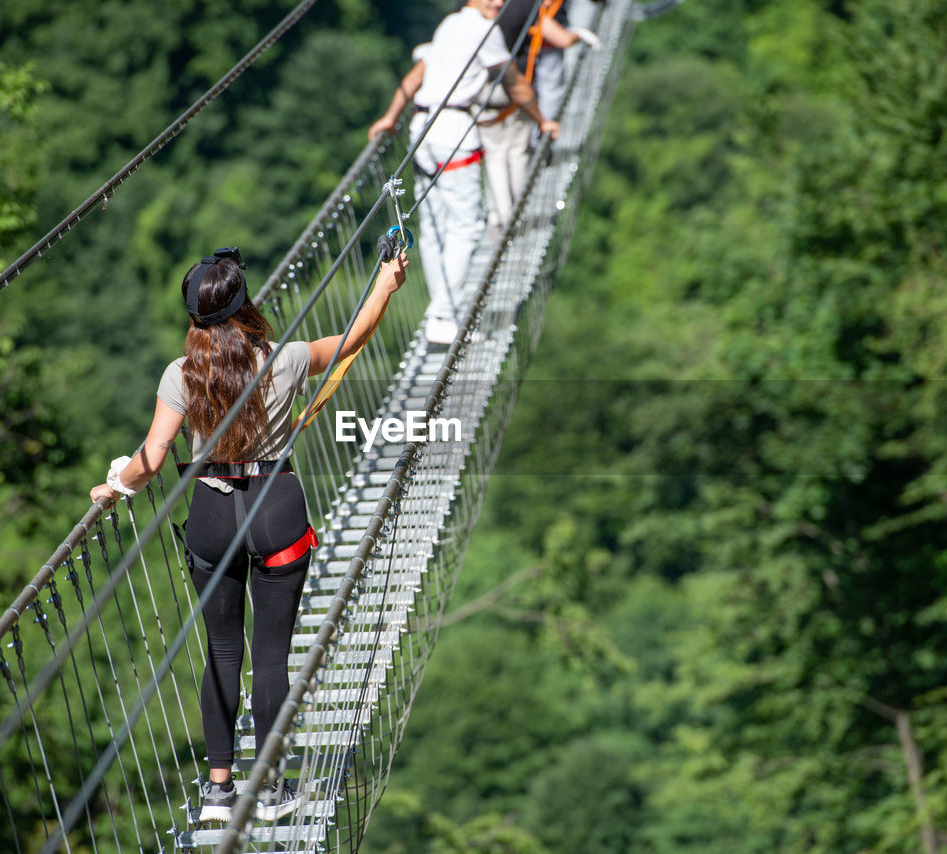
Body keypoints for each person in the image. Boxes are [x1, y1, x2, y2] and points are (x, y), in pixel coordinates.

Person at [89, 246, 408, 823]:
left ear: (193, 318)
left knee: (222, 651)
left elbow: (154, 456)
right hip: (277, 513)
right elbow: (351, 341)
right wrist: (384, 285)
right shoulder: (282, 359)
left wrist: (117, 484)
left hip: (211, 522)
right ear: (246, 307)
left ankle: (217, 791)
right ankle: (270, 789)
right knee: (271, 655)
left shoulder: (180, 375)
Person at [368, 0, 559, 345]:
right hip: (453, 132)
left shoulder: (449, 25)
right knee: (466, 227)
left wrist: (391, 116)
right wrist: (543, 121)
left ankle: (439, 312)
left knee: (437, 225)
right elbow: (516, 84)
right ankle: (443, 315)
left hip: (421, 130)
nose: (498, 3)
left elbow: (415, 76)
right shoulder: (485, 30)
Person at [478, 0, 599, 236]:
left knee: (494, 158)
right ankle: (515, 218)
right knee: (518, 155)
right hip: (517, 94)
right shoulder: (525, 6)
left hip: (481, 99)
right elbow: (561, 38)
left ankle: (499, 219)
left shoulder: (472, 12)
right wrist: (580, 35)